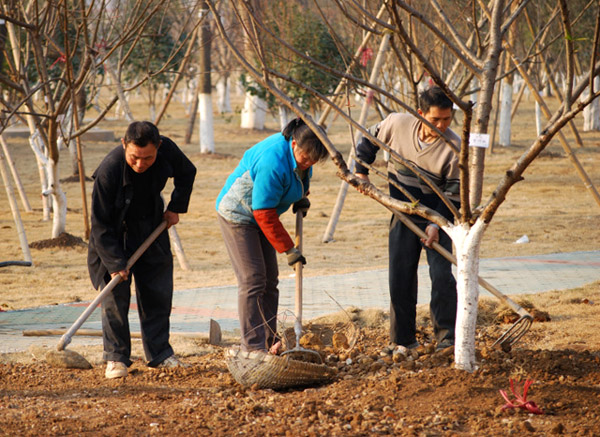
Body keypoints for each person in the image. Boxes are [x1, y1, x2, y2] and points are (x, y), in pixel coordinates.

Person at [88, 121, 196, 379]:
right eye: (134, 157)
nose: (140, 164)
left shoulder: (167, 150)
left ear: (158, 147)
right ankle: (116, 358)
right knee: (115, 298)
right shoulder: (109, 170)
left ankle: (160, 354)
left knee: (157, 293)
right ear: (124, 145)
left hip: (151, 228)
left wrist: (175, 207)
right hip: (113, 235)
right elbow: (99, 225)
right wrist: (115, 264)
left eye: (148, 158)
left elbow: (187, 172)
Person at [355, 87, 460, 351]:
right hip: (402, 213)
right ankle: (402, 339)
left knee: (442, 276)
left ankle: (447, 338)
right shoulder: (397, 123)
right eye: (435, 120)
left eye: (446, 119)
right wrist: (361, 172)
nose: (441, 126)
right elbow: (369, 139)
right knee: (400, 276)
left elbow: (454, 193)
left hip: (438, 216)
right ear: (420, 114)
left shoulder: (454, 147)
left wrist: (436, 224)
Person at [216, 118, 328, 353]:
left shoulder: (305, 153)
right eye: (306, 158)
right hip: (239, 214)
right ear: (294, 144)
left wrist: (300, 196)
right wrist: (289, 249)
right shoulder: (273, 160)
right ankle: (253, 347)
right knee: (253, 279)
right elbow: (264, 212)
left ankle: (270, 341)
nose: (309, 163)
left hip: (261, 215)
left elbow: (299, 175)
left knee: (269, 280)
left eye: (314, 161)